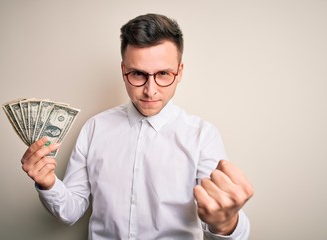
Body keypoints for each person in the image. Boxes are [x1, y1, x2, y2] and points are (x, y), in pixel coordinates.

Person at [21, 13, 254, 239]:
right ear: (124, 71)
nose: (150, 90)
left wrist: (227, 223)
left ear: (179, 71)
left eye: (163, 73)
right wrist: (48, 184)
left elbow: (221, 221)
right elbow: (70, 212)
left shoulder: (202, 136)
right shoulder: (94, 129)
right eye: (138, 74)